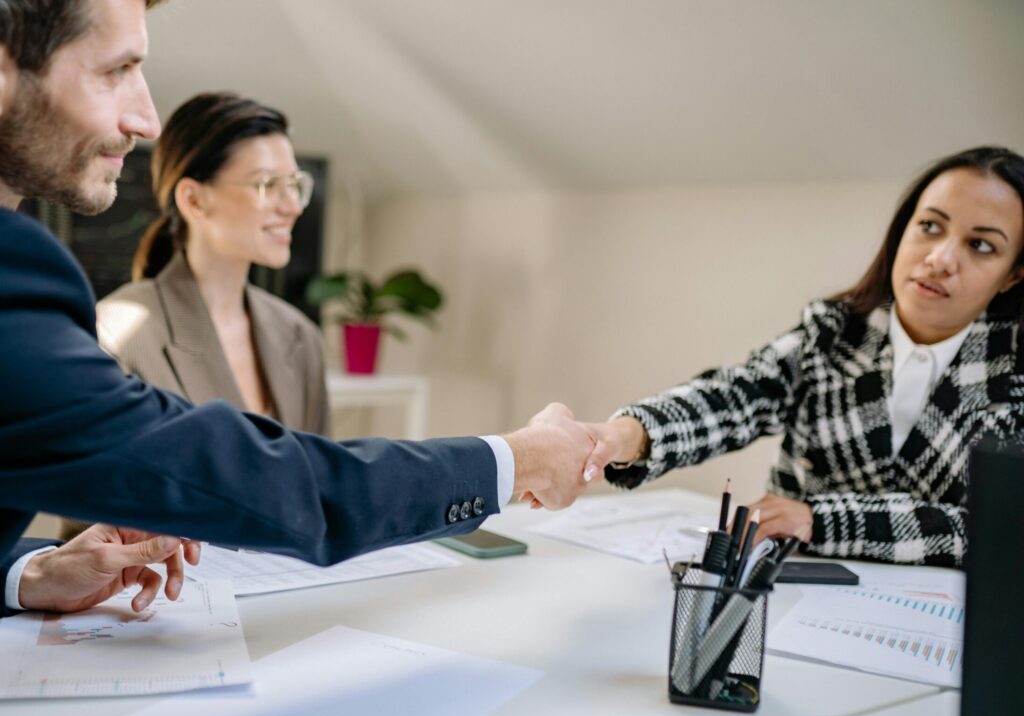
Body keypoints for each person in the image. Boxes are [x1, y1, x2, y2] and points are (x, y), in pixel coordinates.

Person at [0, 0, 594, 616]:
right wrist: (515, 458)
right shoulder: (68, 304)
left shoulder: (293, 333)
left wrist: (24, 570)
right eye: (116, 69)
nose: (147, 118)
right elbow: (281, 482)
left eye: (295, 185)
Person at [576, 146, 1024, 568]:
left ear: (1012, 275)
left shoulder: (1012, 378)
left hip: (936, 629)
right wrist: (627, 435)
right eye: (930, 226)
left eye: (981, 245)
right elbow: (736, 397)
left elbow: (1000, 531)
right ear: (903, 229)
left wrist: (819, 519)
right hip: (785, 592)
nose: (941, 258)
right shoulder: (831, 333)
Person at [59, 91, 329, 539]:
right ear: (194, 200)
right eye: (267, 185)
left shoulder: (299, 335)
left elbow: (321, 489)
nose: (292, 205)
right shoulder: (117, 333)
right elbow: (90, 523)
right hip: (160, 594)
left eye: (295, 184)